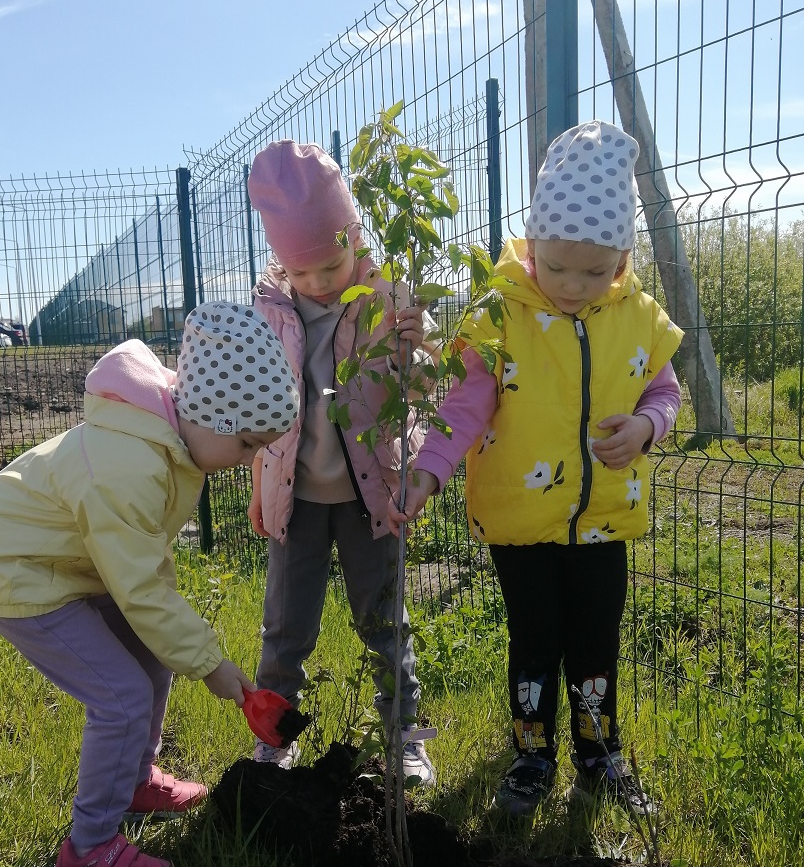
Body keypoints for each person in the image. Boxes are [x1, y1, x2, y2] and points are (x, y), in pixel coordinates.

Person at [0, 304, 299, 867]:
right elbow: (137, 587)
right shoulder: (128, 466)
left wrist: (181, 648)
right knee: (122, 697)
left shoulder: (165, 440)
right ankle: (87, 854)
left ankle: (132, 781)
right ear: (210, 413)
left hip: (70, 567)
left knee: (150, 661)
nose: (246, 460)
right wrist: (210, 663)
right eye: (245, 443)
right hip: (16, 572)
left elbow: (143, 564)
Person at [389, 120, 684, 817]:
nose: (573, 285)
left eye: (594, 270)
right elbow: (462, 404)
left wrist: (645, 427)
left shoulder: (638, 316)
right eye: (556, 267)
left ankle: (599, 752)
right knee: (535, 639)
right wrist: (427, 470)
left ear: (620, 259)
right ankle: (529, 755)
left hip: (603, 516)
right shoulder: (500, 315)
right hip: (520, 523)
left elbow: (665, 392)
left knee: (594, 641)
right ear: (532, 247)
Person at [245, 139, 438, 783]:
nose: (321, 286)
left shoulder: (389, 301)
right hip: (295, 499)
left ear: (354, 239)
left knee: (384, 618)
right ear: (282, 268)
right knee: (286, 626)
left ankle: (404, 736)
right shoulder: (271, 314)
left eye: (332, 267)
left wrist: (422, 350)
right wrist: (258, 489)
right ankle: (277, 736)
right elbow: (263, 412)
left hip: (369, 497)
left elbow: (419, 395)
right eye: (303, 275)